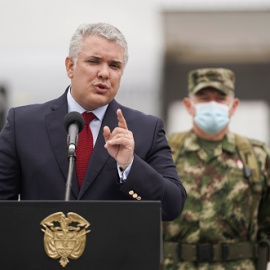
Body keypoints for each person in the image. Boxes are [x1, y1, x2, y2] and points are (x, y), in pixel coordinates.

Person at [0, 22, 186, 221]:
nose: (105, 73)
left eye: (114, 65)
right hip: (42, 250)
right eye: (94, 61)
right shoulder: (23, 124)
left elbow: (172, 206)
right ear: (70, 66)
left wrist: (130, 166)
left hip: (114, 252)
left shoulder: (146, 130)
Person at [162, 68, 270, 269]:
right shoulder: (164, 152)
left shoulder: (258, 156)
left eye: (220, 98)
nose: (212, 104)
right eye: (203, 98)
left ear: (233, 105)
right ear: (189, 105)